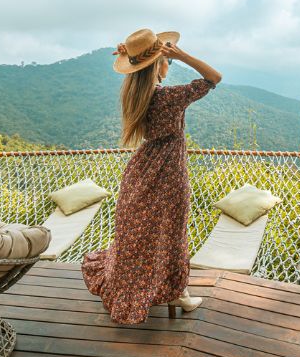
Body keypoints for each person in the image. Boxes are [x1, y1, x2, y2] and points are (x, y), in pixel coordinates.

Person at [81, 28, 222, 324]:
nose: (168, 62)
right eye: (165, 58)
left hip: (141, 171)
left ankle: (163, 291)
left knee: (139, 237)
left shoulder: (134, 93)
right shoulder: (170, 97)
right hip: (168, 172)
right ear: (160, 64)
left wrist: (132, 55)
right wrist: (182, 55)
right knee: (171, 233)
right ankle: (178, 293)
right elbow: (214, 78)